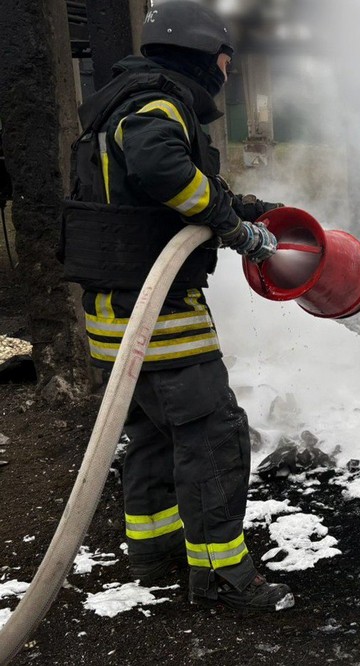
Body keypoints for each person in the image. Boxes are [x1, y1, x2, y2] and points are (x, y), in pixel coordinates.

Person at [60, 0, 292, 612]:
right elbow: (163, 168)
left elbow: (159, 192)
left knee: (154, 435)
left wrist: (240, 207)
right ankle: (222, 575)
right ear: (201, 53)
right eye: (223, 56)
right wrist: (231, 228)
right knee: (214, 436)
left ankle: (154, 547)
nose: (224, 68)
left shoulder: (123, 99)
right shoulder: (159, 104)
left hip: (118, 315)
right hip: (158, 317)